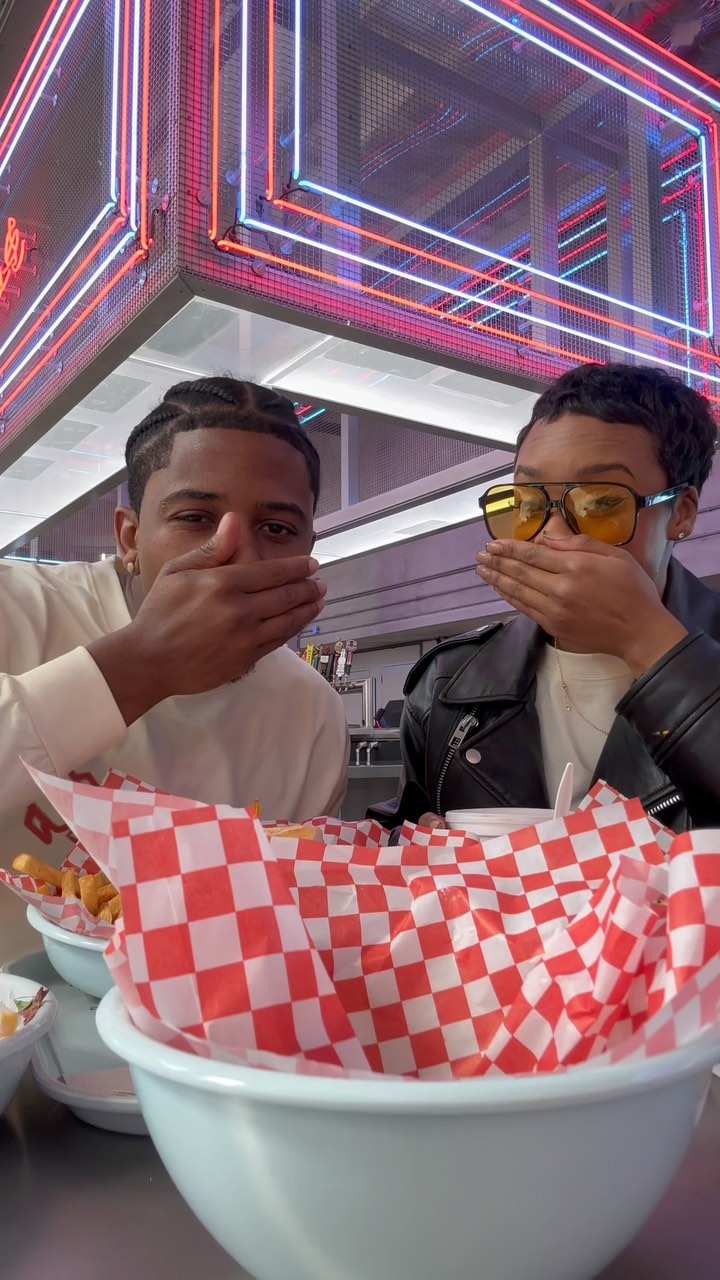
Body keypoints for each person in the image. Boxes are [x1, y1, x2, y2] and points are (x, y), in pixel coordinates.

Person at [0, 377, 349, 891]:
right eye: (195, 518)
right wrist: (141, 665)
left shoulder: (311, 714)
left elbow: (293, 899)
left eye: (276, 528)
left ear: (309, 548)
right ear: (130, 537)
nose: (238, 556)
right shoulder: (16, 608)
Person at [375, 362, 720, 833]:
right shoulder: (448, 684)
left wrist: (648, 641)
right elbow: (401, 824)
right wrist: (413, 841)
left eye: (600, 502)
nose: (552, 534)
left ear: (681, 513)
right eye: (527, 503)